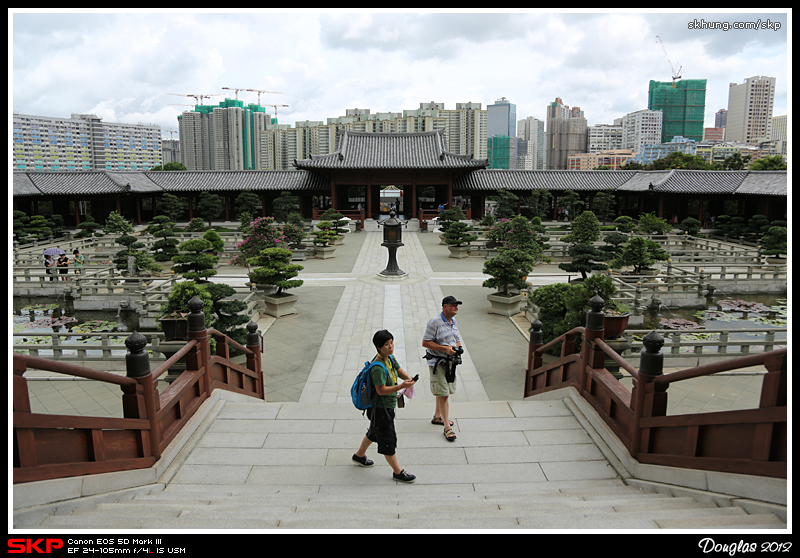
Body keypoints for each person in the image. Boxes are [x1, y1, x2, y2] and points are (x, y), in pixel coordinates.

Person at [352, 329, 417, 483]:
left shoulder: (390, 358)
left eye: (391, 343)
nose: (391, 346)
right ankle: (398, 471)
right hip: (381, 409)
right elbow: (381, 391)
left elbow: (399, 370)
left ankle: (359, 456)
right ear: (378, 347)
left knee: (375, 431)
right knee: (388, 439)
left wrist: (408, 378)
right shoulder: (378, 368)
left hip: (386, 407)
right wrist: (400, 385)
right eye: (387, 344)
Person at [422, 295, 462, 442]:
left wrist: (457, 350)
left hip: (450, 362)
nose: (456, 307)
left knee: (443, 391)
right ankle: (447, 427)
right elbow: (425, 342)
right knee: (444, 394)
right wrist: (445, 349)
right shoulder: (434, 322)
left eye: (457, 305)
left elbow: (456, 339)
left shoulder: (453, 321)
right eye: (453, 305)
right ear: (444, 307)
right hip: (438, 363)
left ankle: (437, 417)